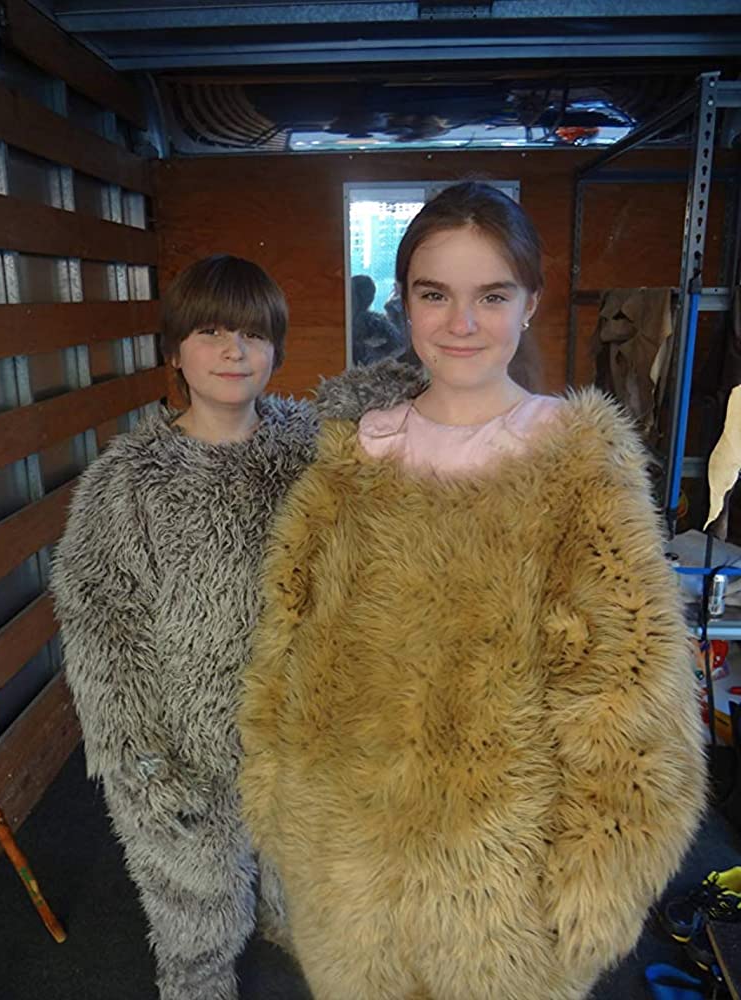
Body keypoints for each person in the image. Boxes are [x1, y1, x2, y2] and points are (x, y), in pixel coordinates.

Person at [238, 183, 707, 1000]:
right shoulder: (358, 457)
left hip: (502, 884)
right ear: (404, 302)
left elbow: (628, 692)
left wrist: (599, 882)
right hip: (346, 863)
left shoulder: (576, 464)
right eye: (435, 295)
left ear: (530, 303)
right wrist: (279, 804)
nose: (461, 323)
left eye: (491, 295)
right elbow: (289, 637)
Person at [50, 254, 425, 1000]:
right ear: (175, 350)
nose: (234, 351)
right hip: (185, 737)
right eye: (212, 332)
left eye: (254, 335)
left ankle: (287, 926)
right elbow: (101, 623)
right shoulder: (128, 481)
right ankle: (197, 980)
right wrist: (139, 755)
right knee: (194, 901)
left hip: (299, 722)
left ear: (276, 349)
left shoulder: (310, 446)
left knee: (306, 871)